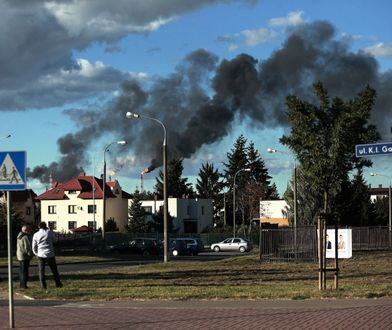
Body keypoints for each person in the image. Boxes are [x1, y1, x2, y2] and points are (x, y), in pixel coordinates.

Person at [32, 221, 63, 289]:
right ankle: (58, 283)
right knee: (54, 270)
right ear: (46, 226)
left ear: (39, 227)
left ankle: (43, 285)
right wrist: (51, 231)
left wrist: (36, 253)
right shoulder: (49, 233)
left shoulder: (36, 234)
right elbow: (55, 240)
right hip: (50, 254)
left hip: (40, 254)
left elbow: (34, 246)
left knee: (41, 271)